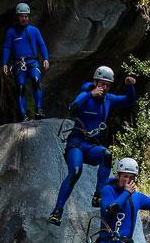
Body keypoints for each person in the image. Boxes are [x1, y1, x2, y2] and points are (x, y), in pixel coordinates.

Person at [48, 66, 137, 226]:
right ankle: (57, 211)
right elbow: (72, 109)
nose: (104, 88)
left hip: (91, 146)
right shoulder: (85, 95)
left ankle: (98, 194)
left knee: (106, 155)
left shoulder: (108, 99)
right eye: (102, 84)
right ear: (95, 82)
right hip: (76, 143)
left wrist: (130, 86)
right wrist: (90, 95)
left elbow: (129, 100)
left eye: (107, 85)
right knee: (75, 171)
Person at [1, 2, 50, 121]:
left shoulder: (34, 30)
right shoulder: (11, 32)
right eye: (22, 16)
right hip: (19, 64)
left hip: (33, 62)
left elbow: (41, 44)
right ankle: (23, 115)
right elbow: (7, 47)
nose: (25, 19)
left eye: (26, 16)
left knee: (36, 80)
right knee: (20, 87)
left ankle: (38, 110)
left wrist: (46, 58)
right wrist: (4, 63)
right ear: (18, 17)